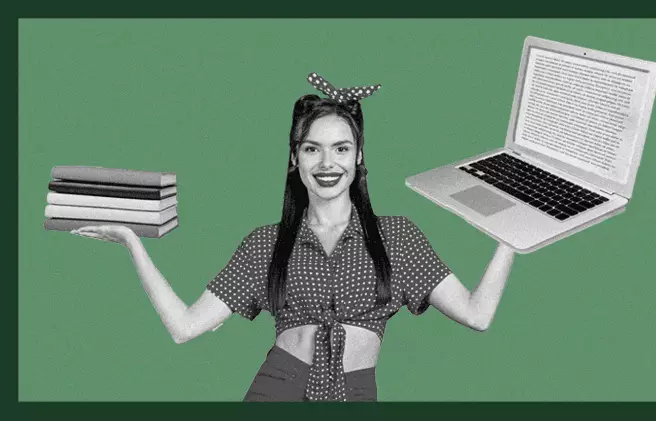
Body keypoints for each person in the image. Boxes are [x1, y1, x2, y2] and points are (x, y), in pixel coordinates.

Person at [71, 72, 516, 402]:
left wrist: (512, 232)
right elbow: (185, 327)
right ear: (294, 159)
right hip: (278, 387)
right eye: (312, 148)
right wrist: (133, 241)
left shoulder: (395, 237)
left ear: (359, 157)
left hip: (355, 394)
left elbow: (477, 314)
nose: (327, 163)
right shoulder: (265, 244)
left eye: (341, 148)